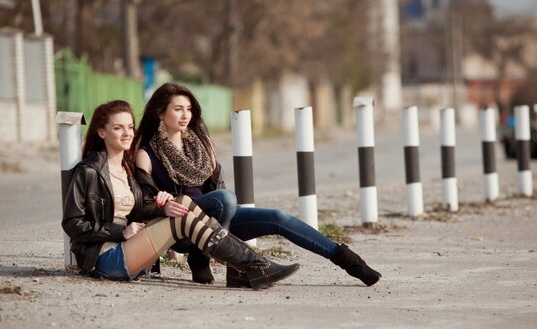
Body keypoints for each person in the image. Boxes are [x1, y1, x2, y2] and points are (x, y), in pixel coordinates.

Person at [134, 83, 382, 288]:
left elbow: (215, 190)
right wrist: (162, 205)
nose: (185, 115)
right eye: (178, 109)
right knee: (225, 199)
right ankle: (201, 257)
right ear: (160, 113)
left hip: (219, 222)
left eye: (188, 109)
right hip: (181, 230)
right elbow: (143, 205)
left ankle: (348, 261)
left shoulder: (203, 144)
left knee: (277, 216)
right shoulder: (147, 154)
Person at [61, 100, 299, 290]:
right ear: (102, 132)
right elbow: (72, 223)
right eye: (117, 127)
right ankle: (253, 266)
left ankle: (252, 267)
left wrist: (161, 205)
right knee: (184, 216)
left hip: (133, 249)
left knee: (182, 203)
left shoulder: (126, 168)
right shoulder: (90, 171)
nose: (127, 133)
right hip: (107, 258)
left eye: (130, 127)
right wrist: (119, 232)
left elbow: (138, 210)